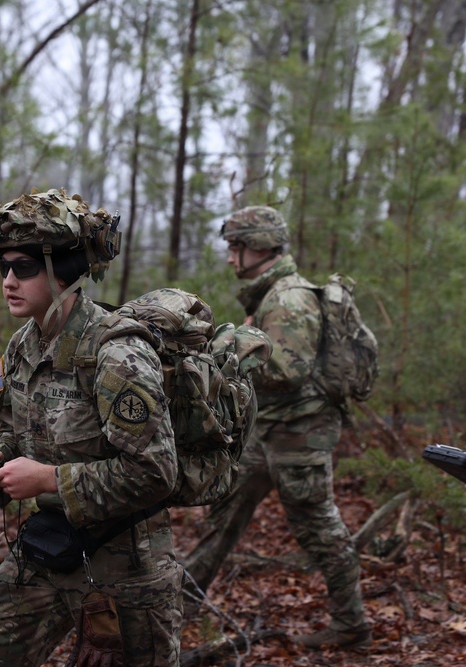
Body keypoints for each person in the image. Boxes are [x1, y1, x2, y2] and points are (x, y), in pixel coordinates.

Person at [0, 189, 183, 666]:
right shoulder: (23, 345)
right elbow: (15, 431)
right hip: (47, 548)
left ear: (62, 272)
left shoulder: (117, 353)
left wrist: (47, 480)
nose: (8, 281)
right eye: (2, 268)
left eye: (23, 268)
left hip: (126, 568)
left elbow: (156, 473)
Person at [181, 205, 372, 650]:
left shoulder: (288, 298)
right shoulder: (270, 295)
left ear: (260, 247)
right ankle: (181, 602)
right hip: (267, 431)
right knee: (222, 515)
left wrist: (229, 350)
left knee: (320, 532)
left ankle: (352, 625)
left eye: (236, 247)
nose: (231, 258)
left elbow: (288, 371)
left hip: (298, 437)